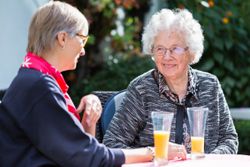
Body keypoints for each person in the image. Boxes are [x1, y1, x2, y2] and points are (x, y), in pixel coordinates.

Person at [0, 1, 157, 166]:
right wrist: (151, 152)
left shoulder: (32, 78)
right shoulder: (40, 86)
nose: (83, 50)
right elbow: (84, 157)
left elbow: (77, 152)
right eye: (82, 39)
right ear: (62, 38)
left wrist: (89, 123)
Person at [103, 8, 238, 155]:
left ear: (191, 52)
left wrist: (207, 162)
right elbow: (112, 143)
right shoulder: (142, 89)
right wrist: (155, 153)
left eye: (175, 48)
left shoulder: (210, 85)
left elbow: (229, 139)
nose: (167, 56)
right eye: (160, 49)